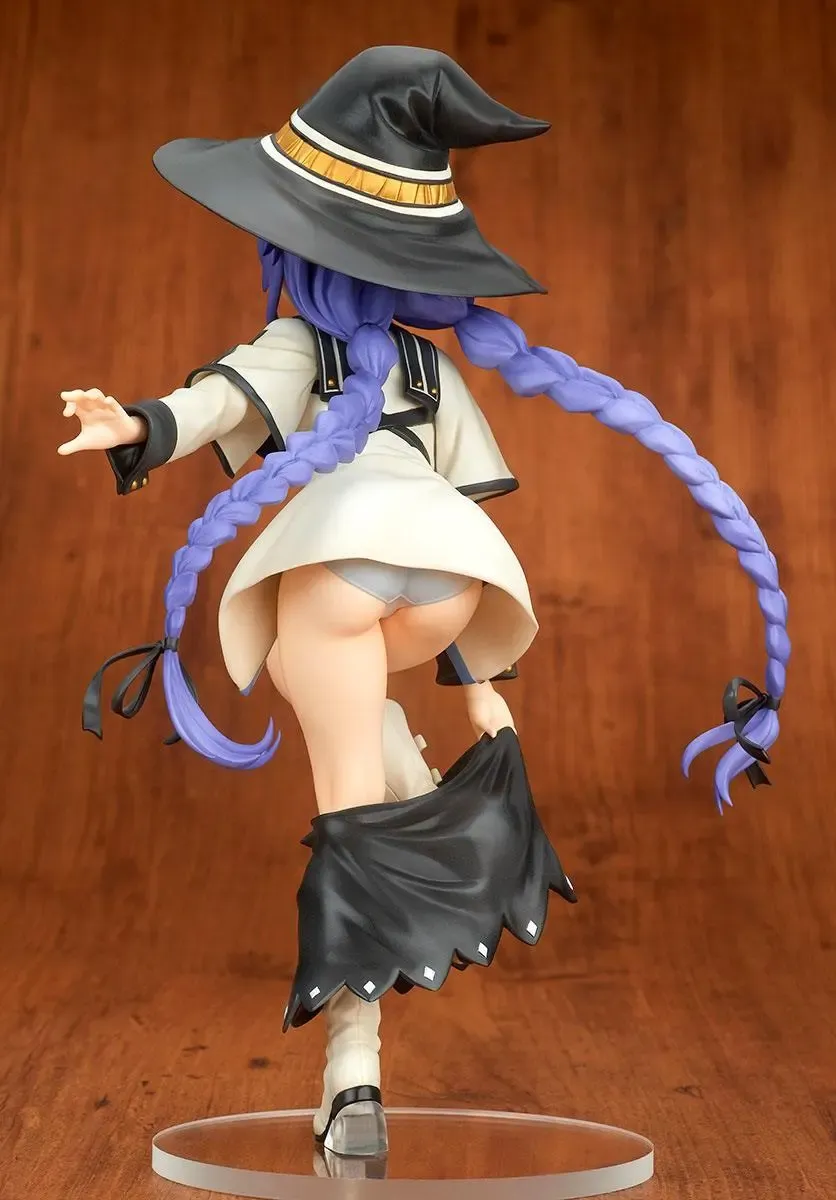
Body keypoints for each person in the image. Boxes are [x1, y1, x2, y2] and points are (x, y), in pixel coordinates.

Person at [58, 46, 789, 1158]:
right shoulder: (430, 371)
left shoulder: (298, 343)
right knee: (337, 704)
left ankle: (352, 1074)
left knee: (346, 820)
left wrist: (136, 427)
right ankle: (409, 766)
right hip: (454, 579)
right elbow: (456, 511)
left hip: (341, 573)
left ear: (298, 243)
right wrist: (484, 694)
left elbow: (214, 404)